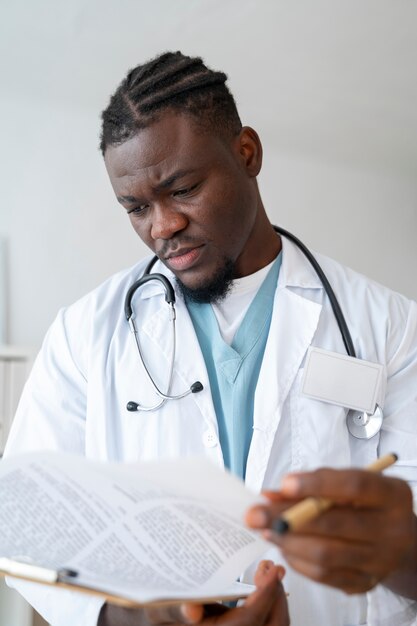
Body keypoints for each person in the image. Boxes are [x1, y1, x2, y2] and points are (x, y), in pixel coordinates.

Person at [4, 51, 417, 626]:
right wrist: (145, 619)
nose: (162, 226)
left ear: (247, 154)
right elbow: (27, 529)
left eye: (183, 189)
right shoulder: (83, 334)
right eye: (136, 208)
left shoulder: (390, 327)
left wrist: (404, 555)